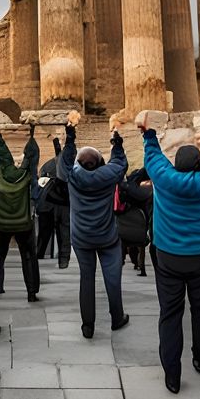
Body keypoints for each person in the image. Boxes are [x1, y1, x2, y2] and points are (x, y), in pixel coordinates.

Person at [144, 117, 200, 395]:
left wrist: (149, 135)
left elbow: (153, 157)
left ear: (175, 164)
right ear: (198, 165)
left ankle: (172, 374)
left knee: (170, 313)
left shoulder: (165, 179)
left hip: (168, 256)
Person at [61, 112, 129, 339]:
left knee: (86, 278)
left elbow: (65, 162)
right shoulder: (108, 175)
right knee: (113, 278)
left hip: (81, 237)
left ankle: (87, 326)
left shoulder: (73, 176)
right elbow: (120, 163)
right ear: (100, 163)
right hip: (107, 236)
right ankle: (117, 317)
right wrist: (115, 139)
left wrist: (70, 133)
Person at [0, 127, 41, 301]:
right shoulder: (26, 176)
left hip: (1, 223)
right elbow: (31, 160)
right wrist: (32, 141)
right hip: (23, 223)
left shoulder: (0, 177)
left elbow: (3, 157)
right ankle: (31, 291)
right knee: (28, 256)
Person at [36, 137, 70, 269]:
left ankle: (39, 253)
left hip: (48, 204)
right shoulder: (68, 166)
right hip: (62, 204)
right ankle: (63, 259)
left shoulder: (49, 165)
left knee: (46, 232)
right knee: (64, 233)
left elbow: (41, 182)